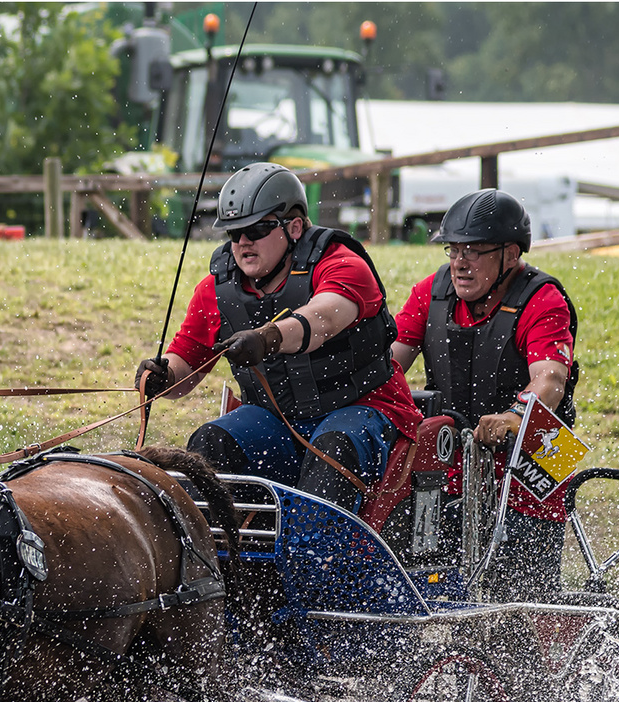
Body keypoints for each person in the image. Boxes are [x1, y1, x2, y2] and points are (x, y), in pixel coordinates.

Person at [137, 162, 422, 511]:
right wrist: (163, 375)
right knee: (210, 442)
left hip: (364, 408)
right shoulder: (215, 290)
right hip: (274, 420)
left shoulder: (343, 264)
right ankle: (216, 559)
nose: (242, 243)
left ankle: (313, 562)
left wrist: (266, 338)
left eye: (255, 229)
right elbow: (187, 364)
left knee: (332, 446)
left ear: (295, 227)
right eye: (233, 233)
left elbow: (325, 319)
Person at [388, 188, 580, 599]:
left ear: (510, 255)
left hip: (538, 448)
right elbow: (388, 367)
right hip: (455, 443)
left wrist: (514, 416)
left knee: (522, 585)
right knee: (418, 558)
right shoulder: (429, 293)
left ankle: (529, 628)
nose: (460, 263)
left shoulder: (544, 299)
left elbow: (550, 380)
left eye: (473, 251)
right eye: (453, 250)